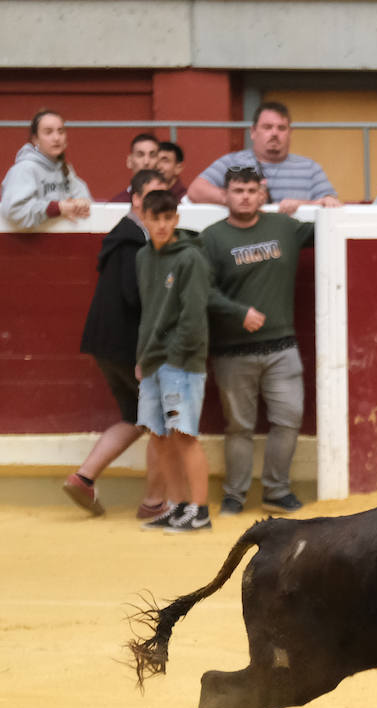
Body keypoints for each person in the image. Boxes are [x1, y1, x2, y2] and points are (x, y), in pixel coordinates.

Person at [200, 166, 315, 515]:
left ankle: (276, 491)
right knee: (239, 428)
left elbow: (335, 228)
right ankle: (234, 495)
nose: (245, 196)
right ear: (226, 194)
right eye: (238, 190)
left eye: (252, 190)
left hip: (282, 345)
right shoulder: (212, 237)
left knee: (289, 419)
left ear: (262, 194)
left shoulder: (285, 227)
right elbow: (201, 291)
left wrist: (323, 202)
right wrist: (238, 313)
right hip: (233, 350)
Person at [63, 168, 172, 519]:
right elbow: (135, 296)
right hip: (129, 346)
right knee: (160, 423)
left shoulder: (123, 237)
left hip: (106, 344)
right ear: (136, 199)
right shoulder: (135, 241)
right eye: (151, 196)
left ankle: (84, 477)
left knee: (135, 417)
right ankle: (154, 503)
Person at [134, 189, 212, 533]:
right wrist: (143, 357)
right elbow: (149, 313)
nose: (163, 225)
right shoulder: (142, 257)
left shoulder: (190, 259)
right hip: (152, 362)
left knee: (183, 434)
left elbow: (193, 316)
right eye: (156, 218)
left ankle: (200, 511)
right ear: (144, 219)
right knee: (159, 435)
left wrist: (175, 358)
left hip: (180, 363)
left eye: (169, 218)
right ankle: (178, 506)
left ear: (177, 219)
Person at [186, 101, 341, 214]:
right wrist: (237, 199)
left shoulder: (310, 168)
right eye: (267, 127)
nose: (274, 133)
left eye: (281, 128)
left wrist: (299, 205)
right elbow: (196, 190)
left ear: (290, 133)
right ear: (253, 132)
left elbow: (330, 203)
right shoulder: (232, 162)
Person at [1, 108, 92, 228]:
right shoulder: (24, 169)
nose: (56, 138)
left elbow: (85, 197)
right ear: (35, 139)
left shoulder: (66, 170)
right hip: (28, 244)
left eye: (61, 131)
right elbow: (14, 211)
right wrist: (56, 208)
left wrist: (81, 204)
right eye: (48, 132)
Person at [109, 133, 160, 202]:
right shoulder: (118, 203)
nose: (146, 162)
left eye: (152, 155)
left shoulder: (173, 202)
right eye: (140, 155)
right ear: (129, 161)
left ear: (159, 161)